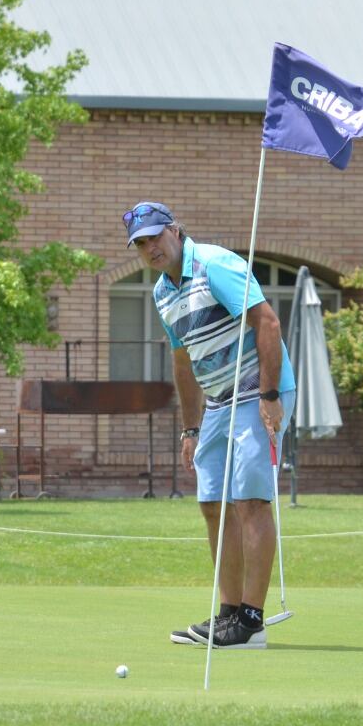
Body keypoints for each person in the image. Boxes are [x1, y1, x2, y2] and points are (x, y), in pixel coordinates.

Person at [125, 202, 297, 650]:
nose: (150, 249)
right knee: (212, 505)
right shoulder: (163, 293)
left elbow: (269, 323)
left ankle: (251, 623)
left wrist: (270, 396)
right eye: (141, 244)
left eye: (155, 238)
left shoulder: (215, 264)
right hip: (218, 403)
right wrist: (190, 428)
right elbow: (183, 360)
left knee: (250, 501)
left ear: (176, 231)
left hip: (258, 394)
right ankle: (228, 615)